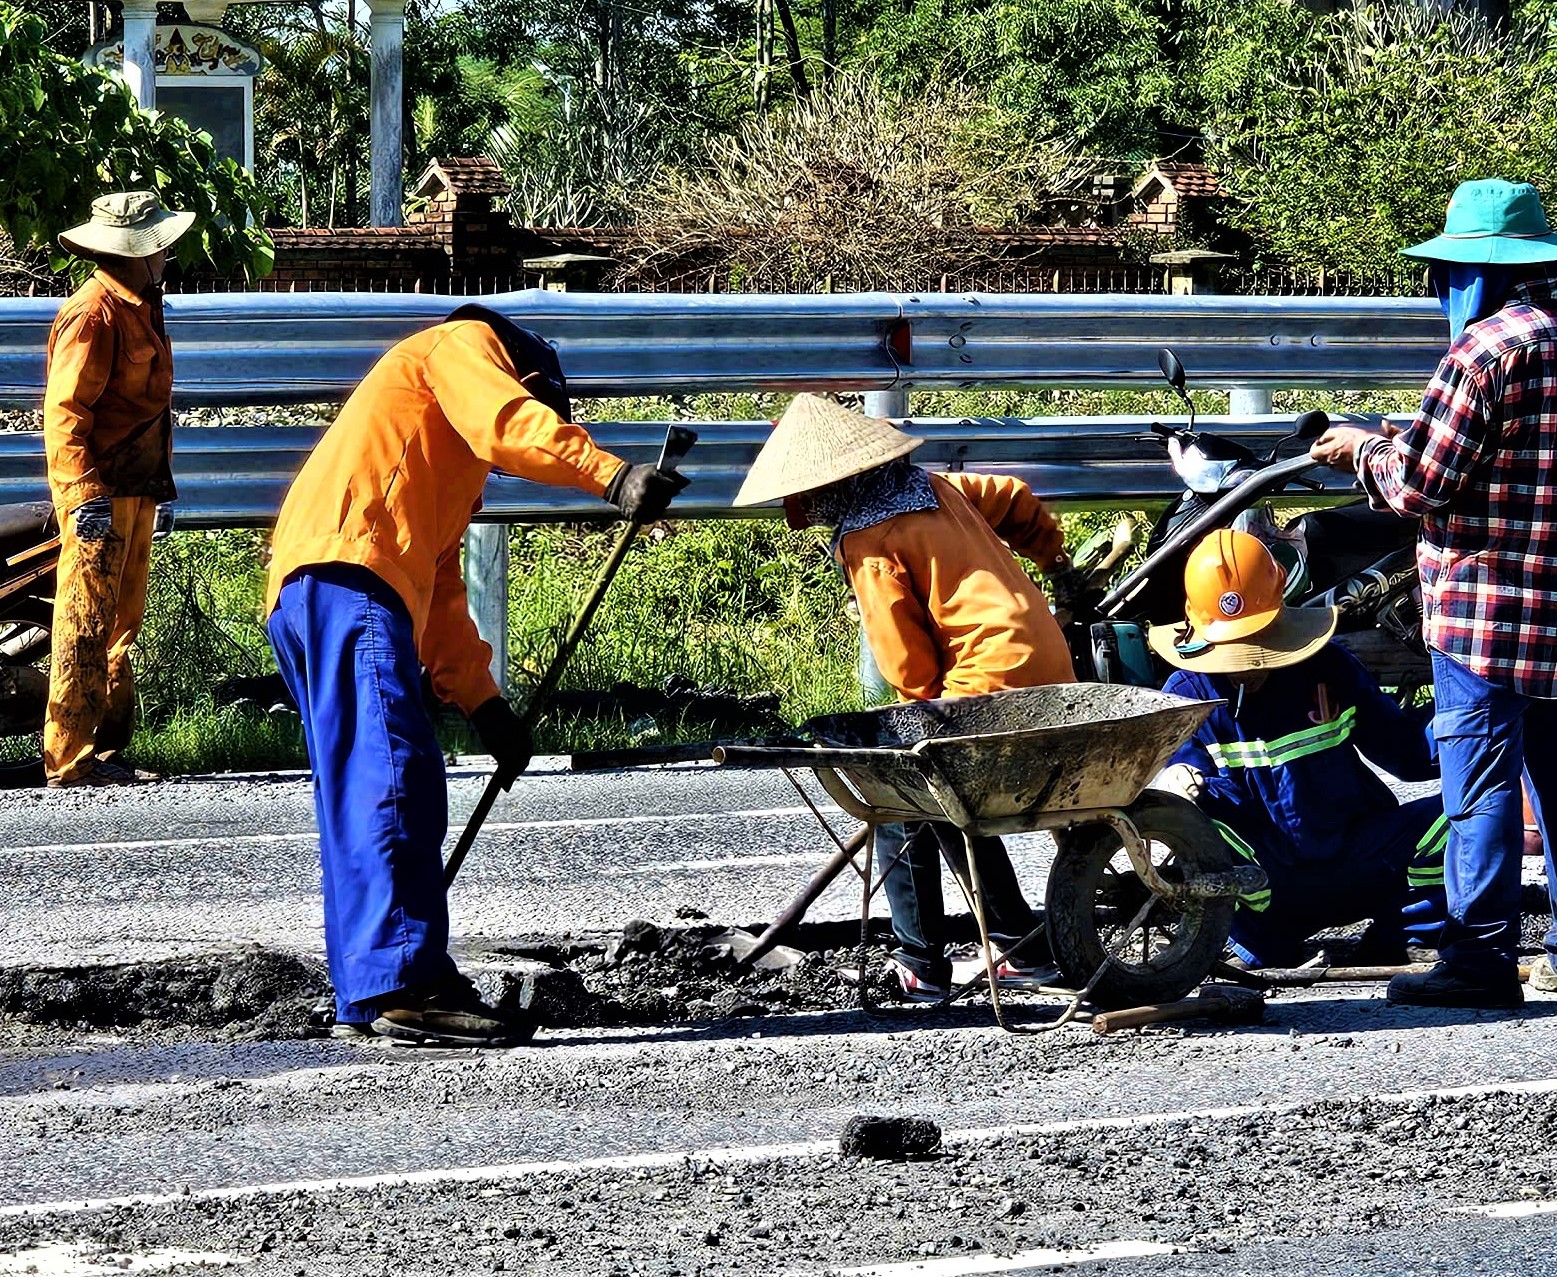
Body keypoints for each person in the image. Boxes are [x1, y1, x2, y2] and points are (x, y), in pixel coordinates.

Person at [264, 304, 687, 1046]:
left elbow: (442, 592)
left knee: (360, 796)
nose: (497, 463)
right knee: (394, 778)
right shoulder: (465, 345)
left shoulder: (429, 456)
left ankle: (370, 986)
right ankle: (410, 982)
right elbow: (504, 420)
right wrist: (612, 475)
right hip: (352, 577)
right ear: (521, 375)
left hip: (320, 588)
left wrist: (487, 705)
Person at [1309, 179, 1557, 1008]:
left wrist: (1360, 453)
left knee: (1478, 783)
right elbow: (1507, 454)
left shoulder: (1481, 351)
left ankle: (1479, 959)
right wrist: (1396, 441)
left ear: (1476, 273)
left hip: (1486, 609)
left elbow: (1421, 486)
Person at [736, 393, 1079, 1000]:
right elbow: (1015, 497)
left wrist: (910, 731)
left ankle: (921, 960)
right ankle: (1016, 942)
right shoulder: (935, 487)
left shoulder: (867, 538)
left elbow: (905, 659)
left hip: (988, 681)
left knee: (901, 794)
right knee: (946, 796)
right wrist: (1054, 561)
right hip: (1047, 661)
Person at [1149, 530, 1447, 969]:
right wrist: (1174, 782)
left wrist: (1470, 721)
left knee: (1462, 816)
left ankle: (1405, 936)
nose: (1245, 664)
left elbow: (1407, 751)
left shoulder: (1329, 668)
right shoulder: (1186, 696)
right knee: (1195, 820)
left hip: (1359, 860)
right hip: (1266, 889)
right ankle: (1254, 945)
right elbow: (1180, 796)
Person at [40, 193, 195, 787]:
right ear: (137, 253)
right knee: (84, 621)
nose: (168, 257)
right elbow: (66, 412)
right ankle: (69, 759)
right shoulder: (95, 313)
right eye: (160, 248)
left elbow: (150, 410)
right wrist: (83, 498)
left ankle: (105, 751)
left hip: (135, 486)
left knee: (120, 622)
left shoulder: (142, 304)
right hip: (100, 492)